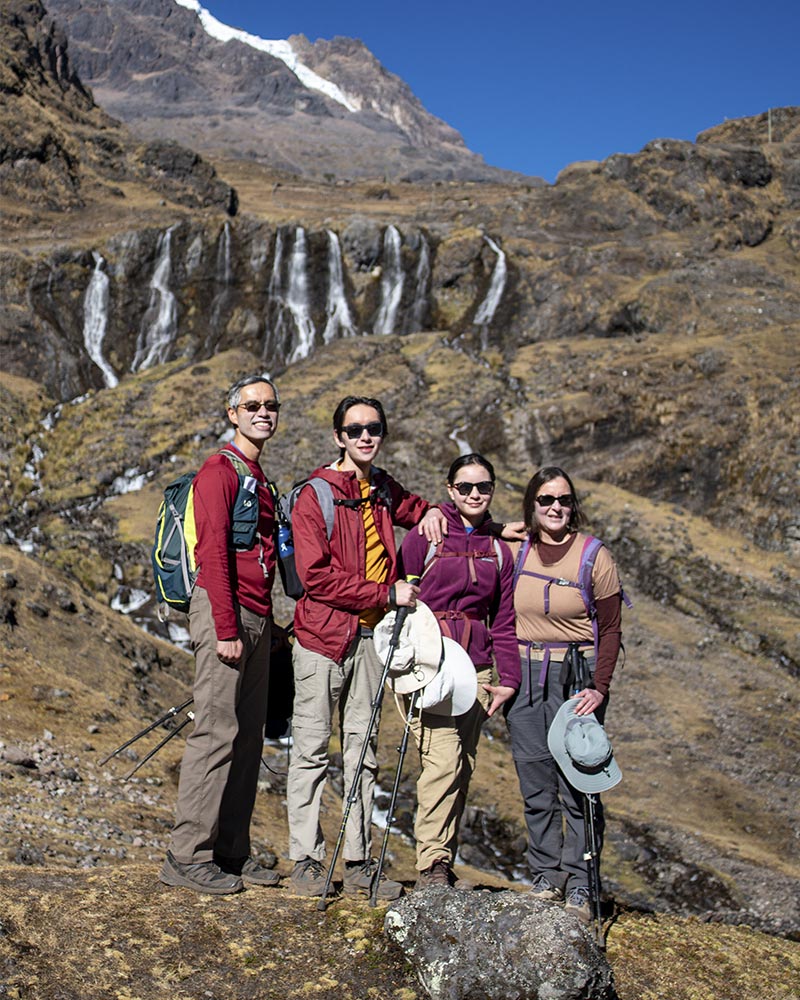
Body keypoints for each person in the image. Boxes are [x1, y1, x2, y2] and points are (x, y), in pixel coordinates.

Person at [287, 395, 448, 899]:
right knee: (312, 751)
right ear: (338, 436)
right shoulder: (315, 494)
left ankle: (356, 860)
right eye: (354, 429)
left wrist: (439, 515)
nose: (364, 437)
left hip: (372, 638)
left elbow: (420, 509)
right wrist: (386, 593)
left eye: (373, 428)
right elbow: (314, 576)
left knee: (363, 751)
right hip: (321, 639)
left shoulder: (380, 488)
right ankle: (307, 860)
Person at [159, 375, 282, 895]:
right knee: (215, 732)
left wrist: (268, 625)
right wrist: (228, 629)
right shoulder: (219, 470)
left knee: (249, 735)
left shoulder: (258, 475)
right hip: (223, 613)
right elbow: (211, 554)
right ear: (232, 414)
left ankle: (232, 850)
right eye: (252, 405)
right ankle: (187, 856)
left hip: (255, 617)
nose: (263, 412)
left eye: (271, 405)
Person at [505, 466, 624, 921]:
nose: (556, 507)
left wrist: (599, 687)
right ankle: (545, 876)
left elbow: (610, 628)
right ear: (532, 505)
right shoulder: (517, 549)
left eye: (564, 500)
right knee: (535, 783)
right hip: (526, 676)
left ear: (574, 506)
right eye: (546, 500)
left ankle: (581, 884)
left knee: (579, 785)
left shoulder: (595, 556)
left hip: (578, 678)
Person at [399, 453, 520, 888]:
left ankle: (442, 860)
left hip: (478, 669)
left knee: (462, 765)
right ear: (450, 489)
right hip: (430, 663)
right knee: (442, 760)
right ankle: (431, 863)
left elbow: (504, 621)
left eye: (483, 487)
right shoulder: (424, 537)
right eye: (465, 487)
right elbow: (401, 598)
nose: (474, 494)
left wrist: (507, 680)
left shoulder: (499, 551)